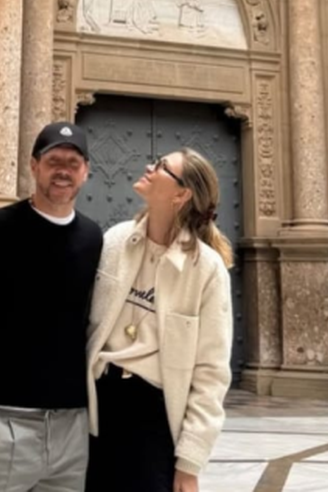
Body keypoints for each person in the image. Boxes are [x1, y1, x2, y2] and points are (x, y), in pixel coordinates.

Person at [0, 121, 102, 492]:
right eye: (53, 161)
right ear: (34, 167)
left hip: (71, 427)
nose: (63, 170)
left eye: (73, 162)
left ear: (86, 172)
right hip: (4, 421)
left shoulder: (94, 237)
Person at [85, 149, 235, 492]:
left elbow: (211, 372)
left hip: (154, 418)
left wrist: (190, 462)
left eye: (163, 167)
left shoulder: (207, 270)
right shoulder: (115, 241)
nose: (150, 167)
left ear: (181, 194)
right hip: (96, 406)